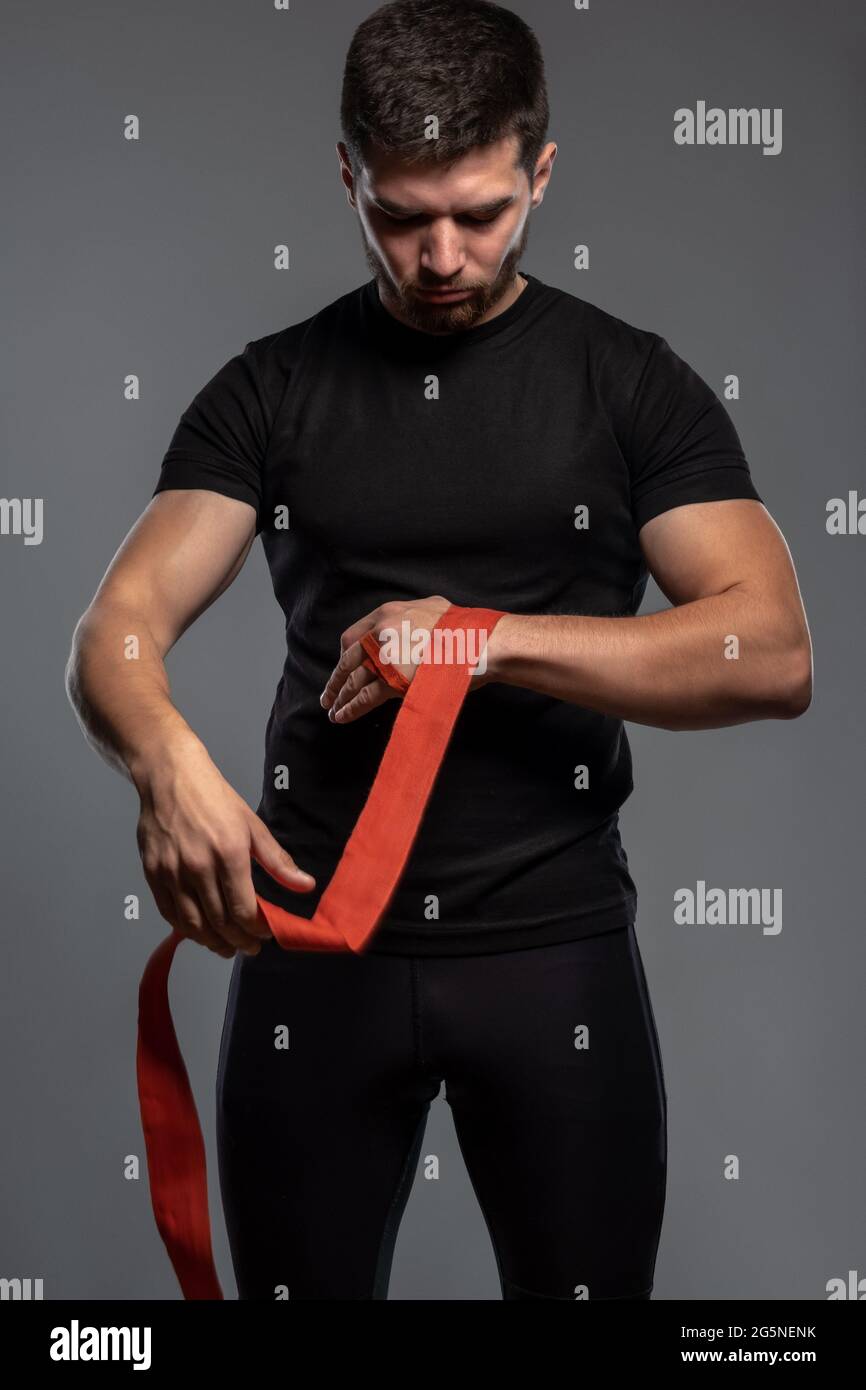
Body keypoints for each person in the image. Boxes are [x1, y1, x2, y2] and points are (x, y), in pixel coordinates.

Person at [65, 0, 812, 1301]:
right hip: (316, 944)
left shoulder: (628, 384)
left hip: (553, 951)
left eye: (481, 212)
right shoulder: (270, 389)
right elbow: (114, 626)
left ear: (541, 171)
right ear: (347, 175)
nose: (442, 256)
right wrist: (163, 762)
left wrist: (478, 640)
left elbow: (771, 651)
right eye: (402, 216)